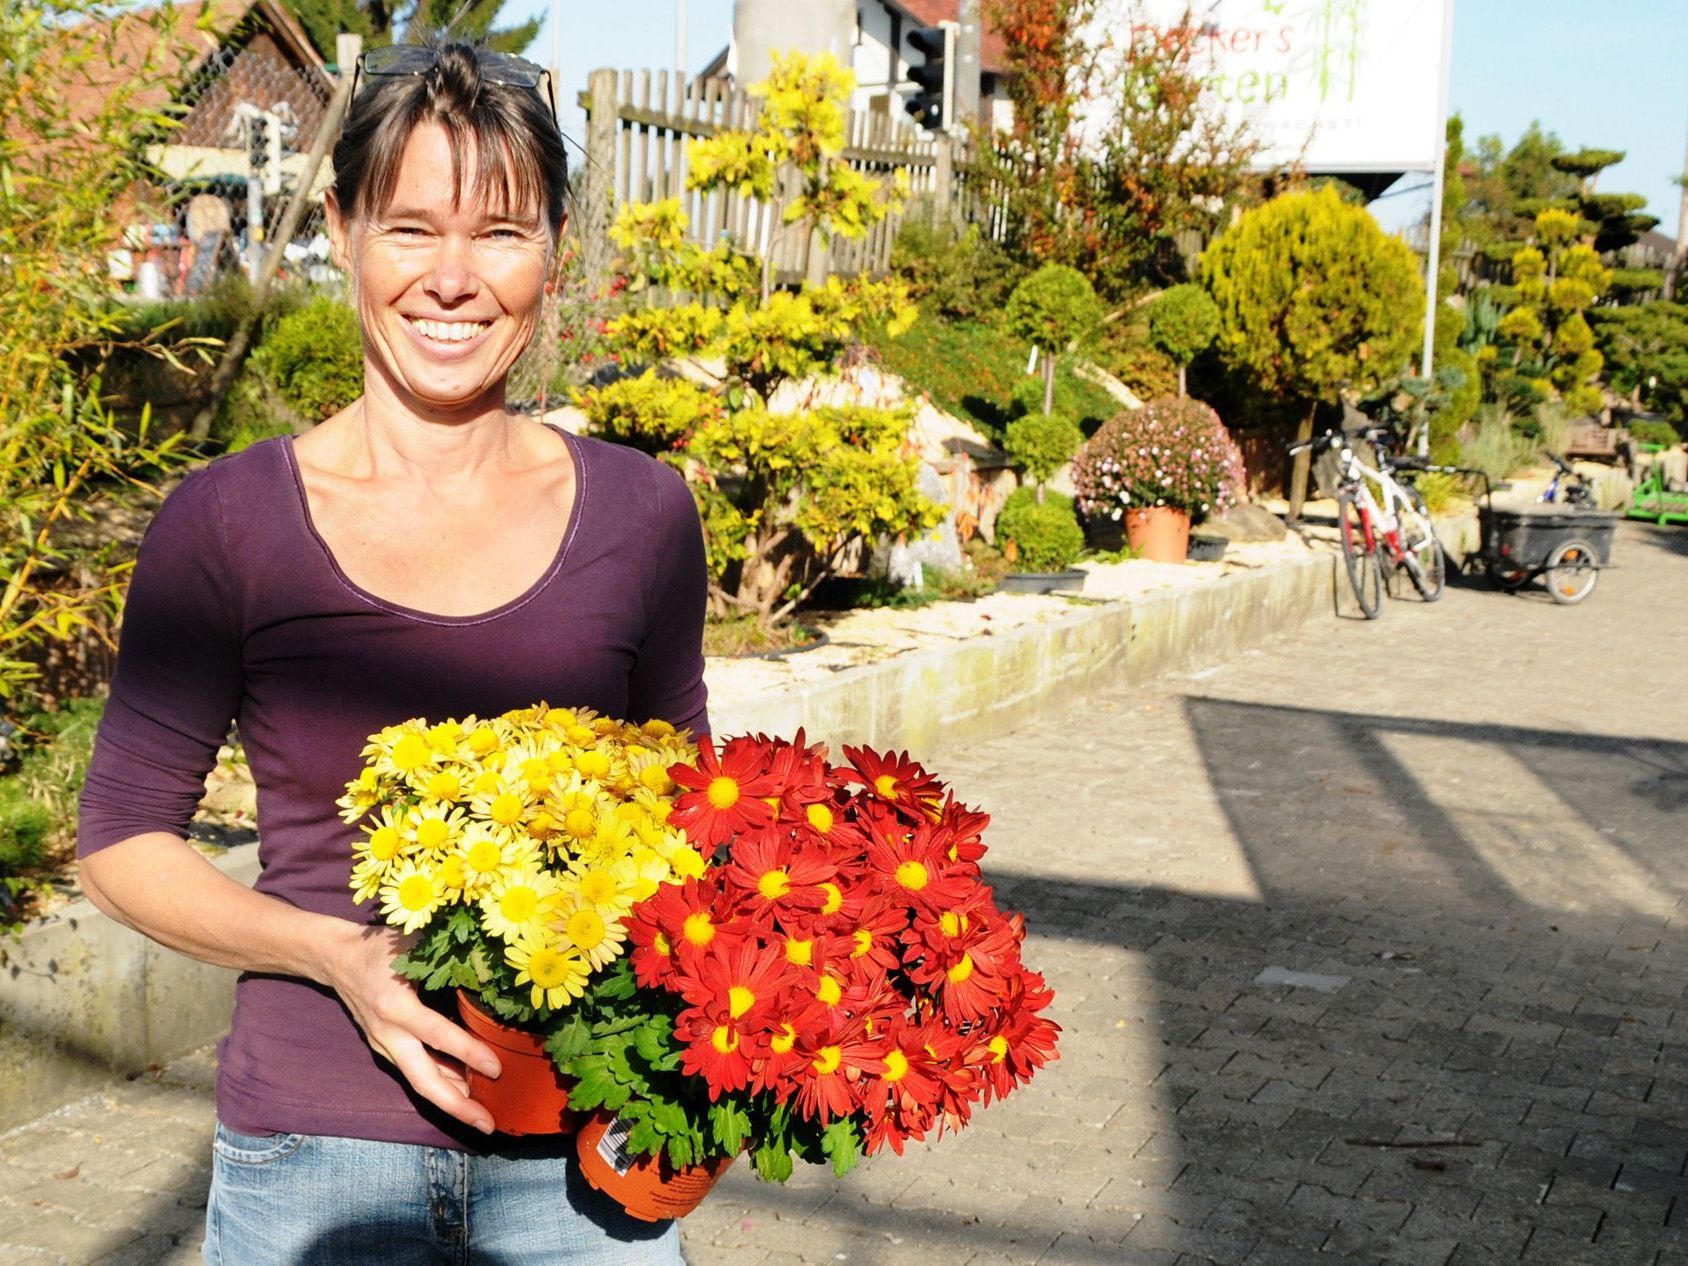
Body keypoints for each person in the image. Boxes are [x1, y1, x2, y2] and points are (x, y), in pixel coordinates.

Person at [76, 42, 707, 1266]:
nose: (455, 280)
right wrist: (335, 954)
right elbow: (119, 846)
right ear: (344, 227)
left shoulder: (643, 515)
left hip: (582, 1166)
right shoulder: (225, 524)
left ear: (554, 255)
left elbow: (689, 822)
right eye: (412, 227)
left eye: (503, 232)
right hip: (314, 1159)